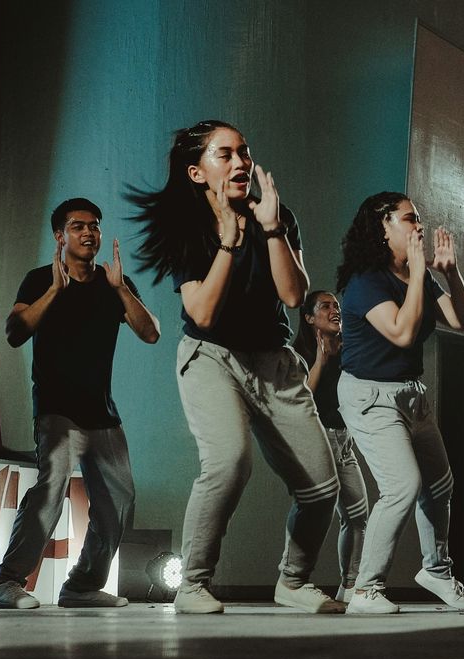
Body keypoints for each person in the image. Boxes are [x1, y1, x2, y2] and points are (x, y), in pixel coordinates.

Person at [130, 120, 342, 614]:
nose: (241, 162)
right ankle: (193, 585)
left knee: (321, 485)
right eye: (224, 155)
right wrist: (227, 240)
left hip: (275, 361)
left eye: (244, 152)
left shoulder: (277, 215)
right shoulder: (188, 227)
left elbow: (293, 296)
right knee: (228, 463)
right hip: (211, 357)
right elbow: (202, 311)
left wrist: (270, 228)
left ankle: (293, 581)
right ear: (197, 172)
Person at [0, 198, 159, 609]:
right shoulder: (38, 279)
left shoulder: (113, 281)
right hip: (56, 407)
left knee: (120, 500)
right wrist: (53, 291)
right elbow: (15, 332)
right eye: (78, 226)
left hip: (101, 410)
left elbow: (150, 332)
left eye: (95, 226)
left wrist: (121, 289)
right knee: (51, 489)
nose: (88, 233)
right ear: (60, 235)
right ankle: (8, 583)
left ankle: (82, 585)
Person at [334, 191, 464, 614]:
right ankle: (365, 589)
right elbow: (400, 332)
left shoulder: (421, 276)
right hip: (369, 394)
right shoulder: (365, 282)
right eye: (409, 218)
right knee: (402, 486)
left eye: (419, 218)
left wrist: (449, 274)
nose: (420, 226)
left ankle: (436, 569)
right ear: (383, 228)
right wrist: (417, 274)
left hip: (411, 394)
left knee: (439, 484)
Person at [292, 290, 369, 603]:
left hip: (344, 439)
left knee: (358, 514)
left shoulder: (348, 349)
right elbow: (301, 396)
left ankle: (350, 586)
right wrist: (321, 359)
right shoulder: (298, 351)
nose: (335, 310)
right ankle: (294, 580)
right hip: (316, 437)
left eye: (336, 305)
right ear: (310, 317)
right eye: (326, 306)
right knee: (312, 511)